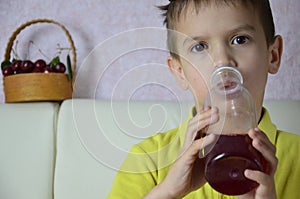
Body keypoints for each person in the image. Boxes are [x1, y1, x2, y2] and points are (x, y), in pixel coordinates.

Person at [107, 0, 300, 198]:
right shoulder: (148, 159)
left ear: (273, 55)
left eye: (240, 40)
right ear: (180, 71)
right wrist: (168, 192)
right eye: (200, 47)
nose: (222, 60)